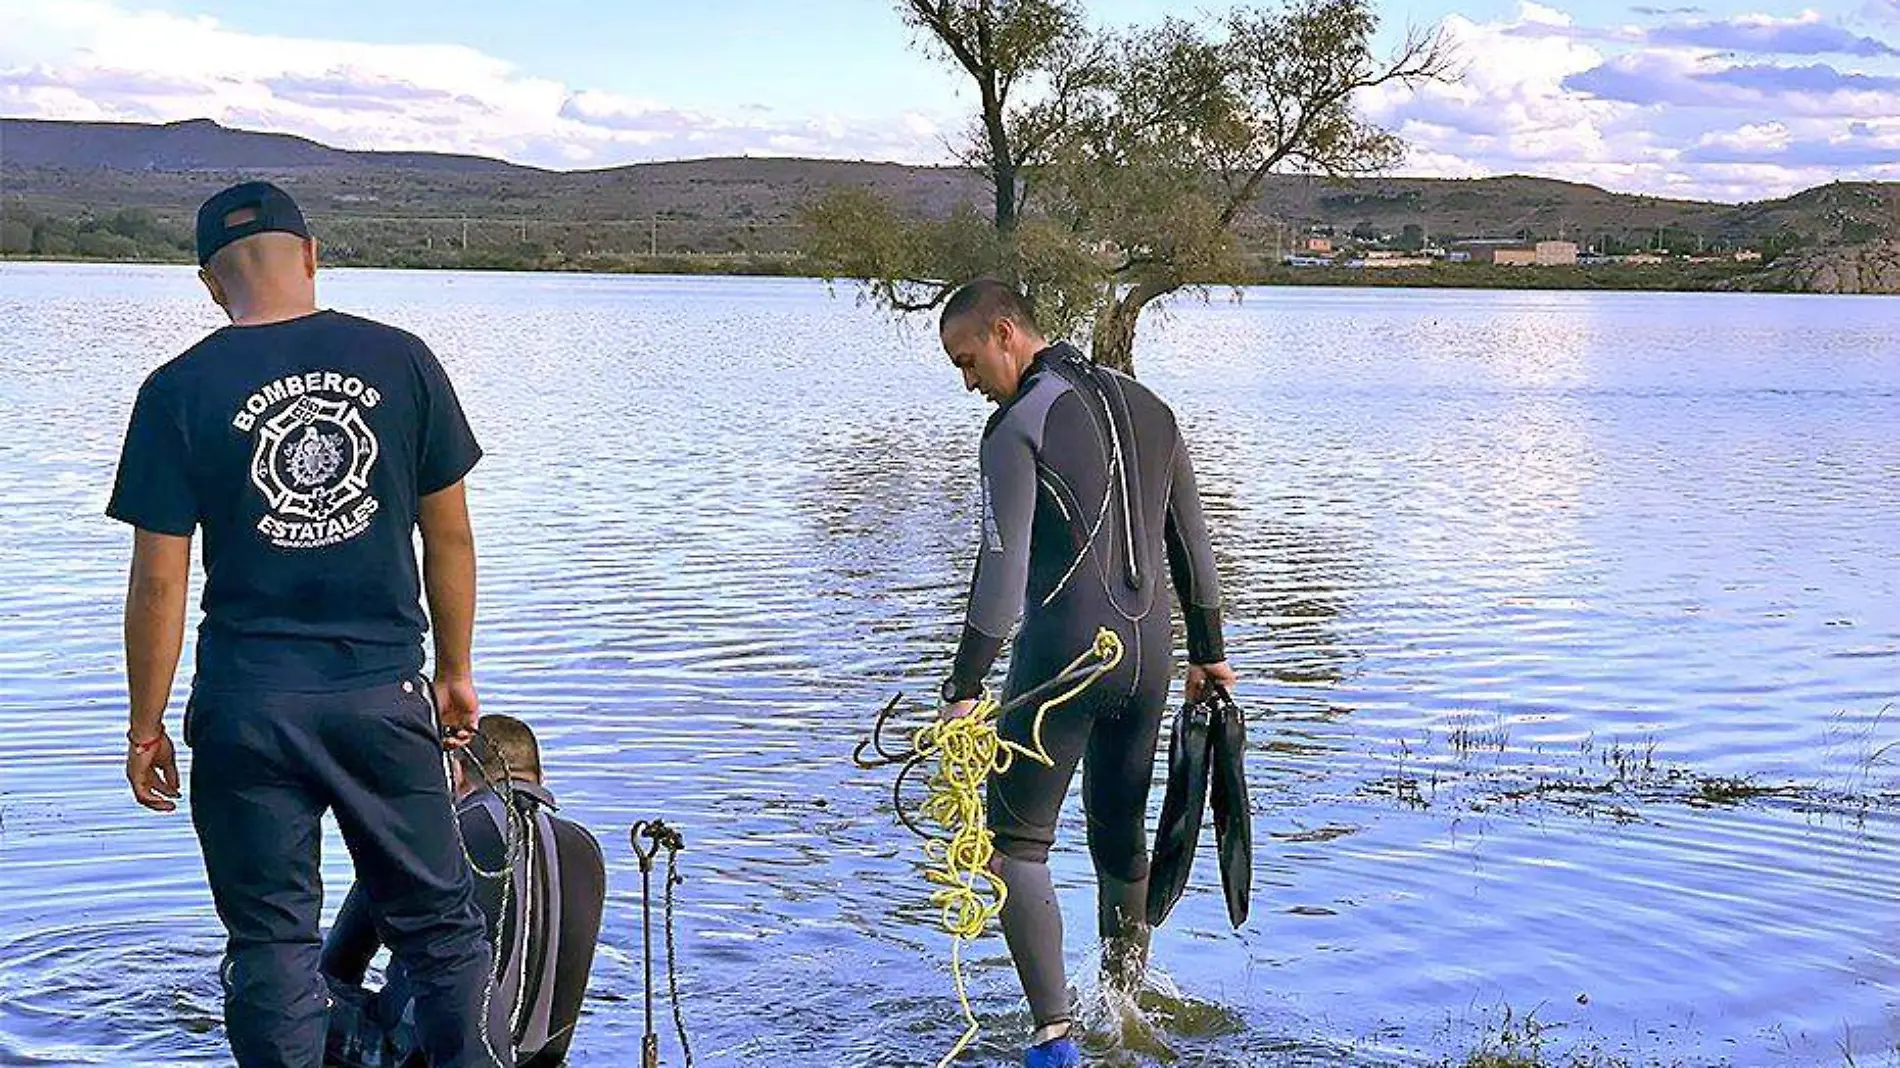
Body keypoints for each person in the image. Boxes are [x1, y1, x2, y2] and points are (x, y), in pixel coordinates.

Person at [109, 180, 505, 1067]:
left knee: (270, 947)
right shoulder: (402, 362)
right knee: (440, 934)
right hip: (382, 693)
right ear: (313, 254)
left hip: (246, 705)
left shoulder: (176, 390)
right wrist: (456, 670)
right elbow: (451, 536)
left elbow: (158, 584)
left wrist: (146, 723)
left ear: (210, 283)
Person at [934, 279, 1236, 1068]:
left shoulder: (1015, 426)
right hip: (1149, 661)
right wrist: (1210, 654)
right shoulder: (1154, 408)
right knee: (1118, 841)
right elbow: (1194, 553)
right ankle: (1124, 1013)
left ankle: (1054, 1042)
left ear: (1006, 333)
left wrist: (963, 688)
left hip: (1060, 661)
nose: (969, 383)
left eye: (968, 362)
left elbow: (1001, 579)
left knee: (1013, 847)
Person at [321, 714, 608, 1068]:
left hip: (422, 1056)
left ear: (456, 774)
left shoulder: (433, 836)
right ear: (540, 778)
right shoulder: (586, 847)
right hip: (540, 1061)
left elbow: (337, 965)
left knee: (269, 976)